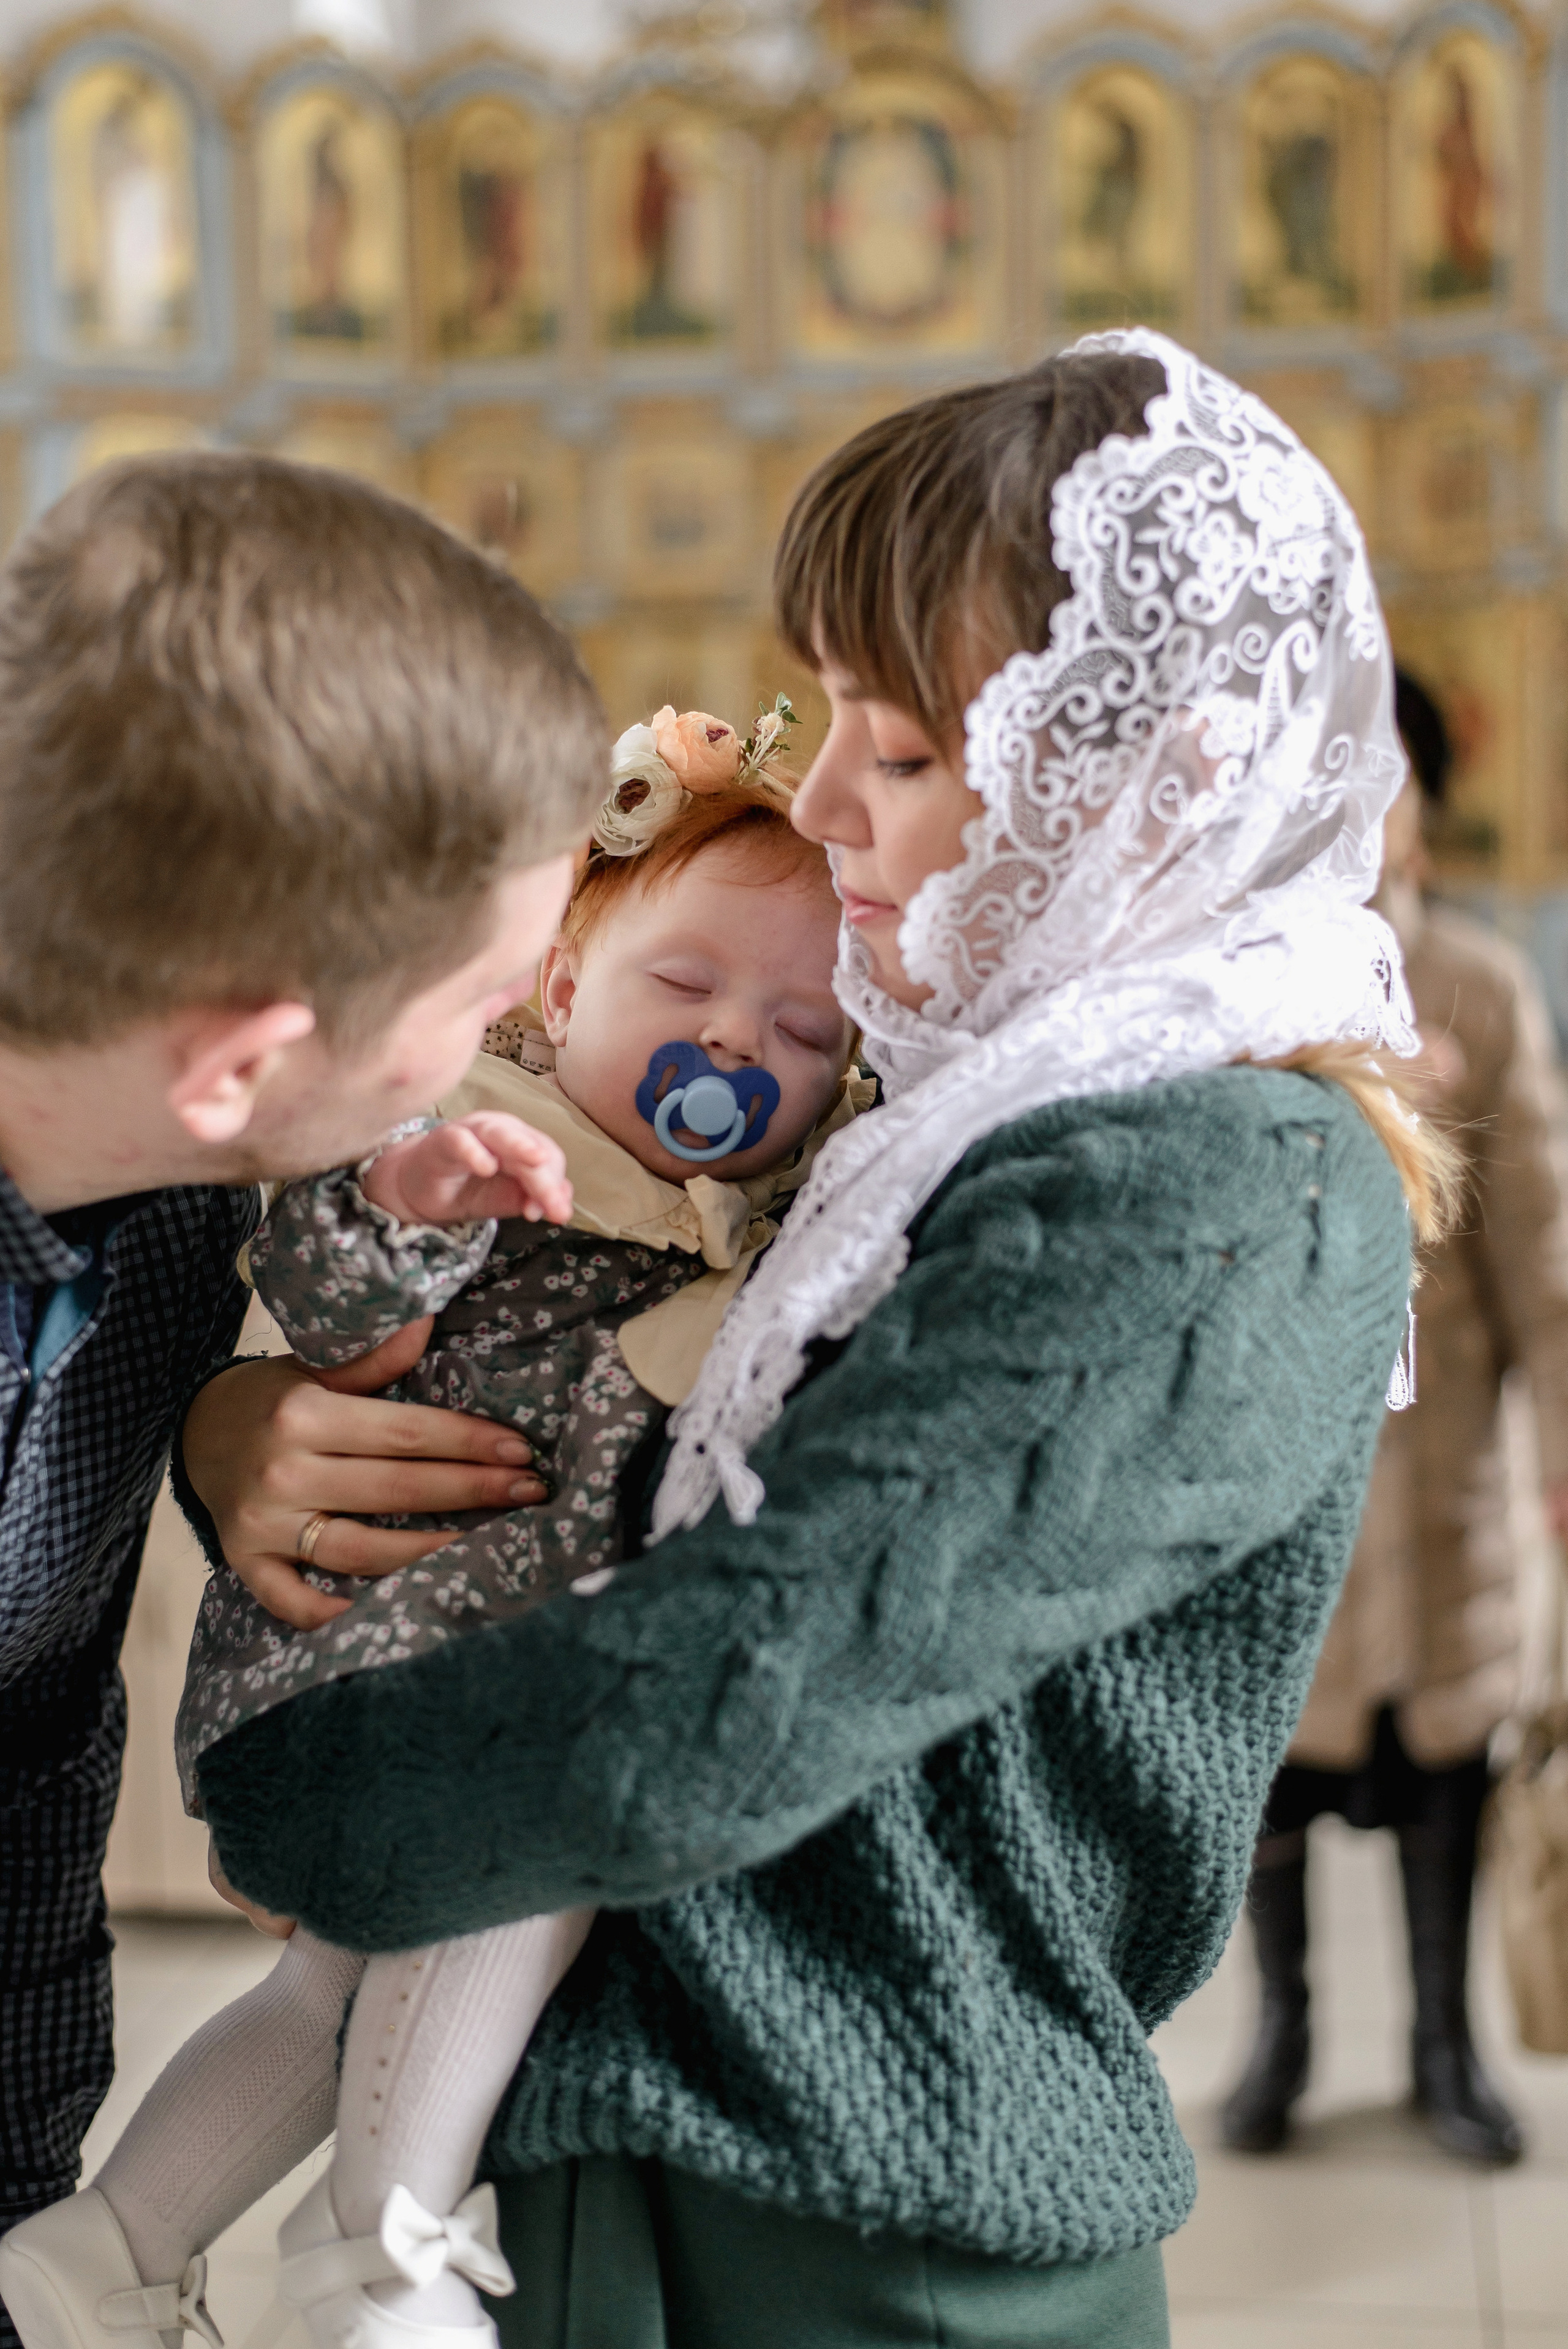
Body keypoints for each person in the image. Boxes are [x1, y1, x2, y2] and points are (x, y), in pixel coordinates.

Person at [173, 333, 1447, 2349]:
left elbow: (741, 1688)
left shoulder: (1218, 1175)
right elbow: (590, 1393)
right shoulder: (945, 1118)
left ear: (1159, 776)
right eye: (839, 713)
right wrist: (248, 1420)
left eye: (913, 751)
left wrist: (316, 1803)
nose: (826, 793)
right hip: (673, 2150)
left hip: (863, 2223)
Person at [0, 721, 867, 2349]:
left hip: (452, 1661)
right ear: (555, 991)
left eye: (801, 1029)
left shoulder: (754, 1233)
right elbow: (332, 1317)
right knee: (526, 1870)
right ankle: (385, 2255)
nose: (733, 1042)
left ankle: (109, 2245)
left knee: (326, 1991)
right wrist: (417, 1211)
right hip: (396, 1661)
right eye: (682, 991)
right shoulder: (477, 1135)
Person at [0, 451, 608, 2349]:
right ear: (249, 1057)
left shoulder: (171, 1186)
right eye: (490, 993)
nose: (519, 1035)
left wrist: (216, 1429)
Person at [1221, 668, 1568, 2167]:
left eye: (1380, 779)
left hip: (1437, 1478)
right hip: (1279, 1470)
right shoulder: (1222, 989)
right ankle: (1281, 2038)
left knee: (1442, 1771)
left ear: (1418, 804)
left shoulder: (1478, 986)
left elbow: (1544, 1261)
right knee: (1271, 1782)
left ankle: (1443, 2043)